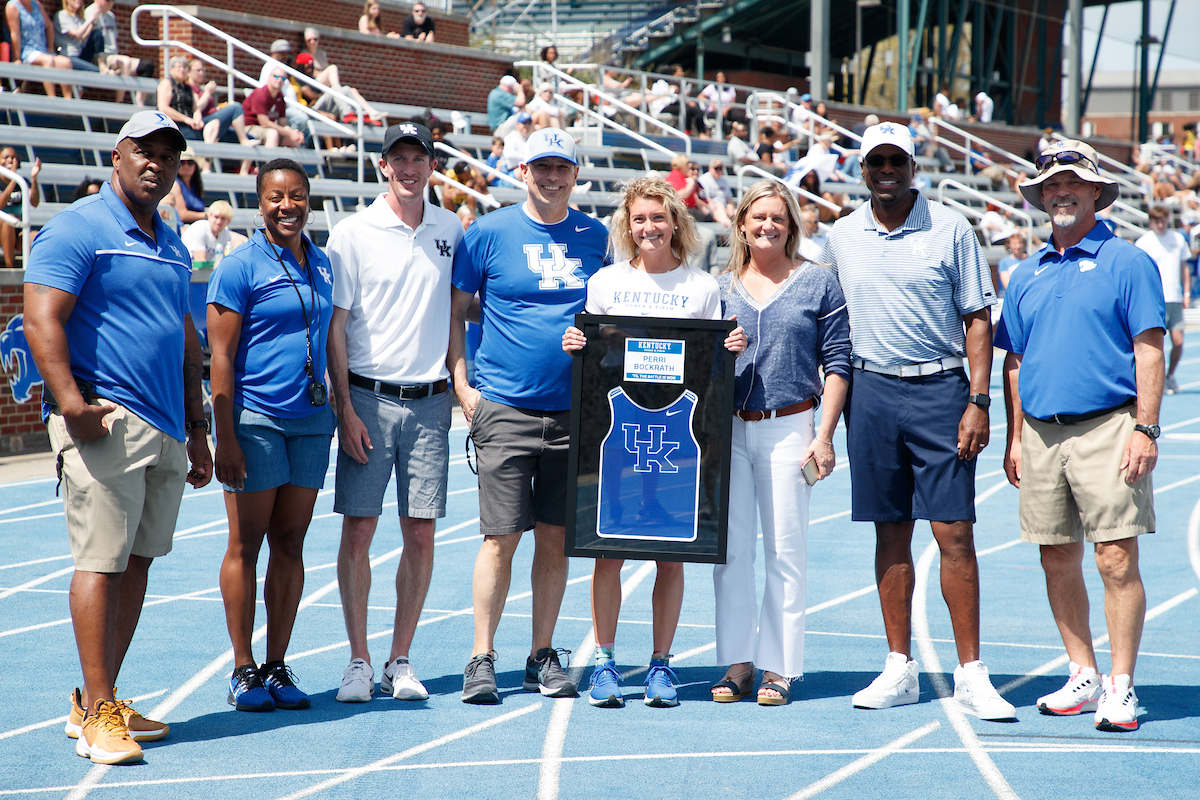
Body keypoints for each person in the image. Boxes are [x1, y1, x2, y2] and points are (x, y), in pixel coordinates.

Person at [23, 110, 212, 764]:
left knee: (137, 562)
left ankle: (95, 699)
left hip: (165, 427)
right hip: (106, 419)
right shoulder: (78, 227)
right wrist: (71, 404)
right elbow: (41, 314)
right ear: (119, 155)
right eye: (145, 151)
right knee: (101, 561)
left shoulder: (170, 237)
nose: (157, 164)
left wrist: (198, 424)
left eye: (169, 154)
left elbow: (184, 334)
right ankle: (99, 710)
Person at [820, 122, 1013, 720]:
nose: (886, 170)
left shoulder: (951, 227)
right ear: (861, 168)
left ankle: (971, 673)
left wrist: (979, 401)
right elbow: (824, 315)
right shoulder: (840, 236)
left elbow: (977, 320)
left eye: (896, 161)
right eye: (875, 160)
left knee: (954, 533)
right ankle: (899, 666)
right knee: (890, 531)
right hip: (871, 390)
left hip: (940, 391)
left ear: (913, 166)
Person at [996, 139, 1165, 732]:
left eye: (1073, 182)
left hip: (1109, 425)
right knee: (1055, 558)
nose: (1061, 192)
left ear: (1096, 190)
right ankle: (1081, 671)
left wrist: (1146, 428)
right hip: (1041, 435)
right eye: (1051, 186)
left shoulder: (1128, 261)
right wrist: (1014, 437)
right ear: (1040, 197)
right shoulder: (1025, 272)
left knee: (1116, 557)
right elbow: (1014, 361)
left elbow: (1149, 348)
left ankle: (1121, 685)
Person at [560, 177, 746, 708]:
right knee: (608, 552)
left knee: (671, 554)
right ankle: (605, 663)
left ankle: (661, 666)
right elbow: (594, 354)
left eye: (658, 218)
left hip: (676, 434)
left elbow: (710, 363)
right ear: (627, 224)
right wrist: (577, 341)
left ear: (676, 224)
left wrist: (730, 344)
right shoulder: (606, 283)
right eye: (639, 219)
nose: (649, 228)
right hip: (617, 430)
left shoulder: (701, 288)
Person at [450, 129, 608, 704]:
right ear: (523, 171)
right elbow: (456, 310)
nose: (551, 177)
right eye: (541, 168)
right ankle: (481, 656)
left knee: (556, 539)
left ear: (574, 174)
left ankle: (541, 654)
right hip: (506, 407)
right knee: (499, 539)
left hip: (574, 413)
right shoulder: (488, 232)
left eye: (560, 169)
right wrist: (462, 385)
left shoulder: (596, 236)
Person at [325, 123, 463, 703]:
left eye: (419, 157)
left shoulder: (451, 228)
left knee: (422, 535)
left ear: (432, 165)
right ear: (383, 165)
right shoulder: (352, 232)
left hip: (431, 403)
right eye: (398, 158)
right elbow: (335, 329)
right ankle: (358, 659)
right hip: (367, 400)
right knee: (359, 530)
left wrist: (462, 385)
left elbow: (457, 312)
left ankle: (399, 659)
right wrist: (344, 410)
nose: (409, 168)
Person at [709, 180, 850, 706]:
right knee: (731, 553)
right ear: (741, 223)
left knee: (785, 553)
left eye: (778, 217)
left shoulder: (819, 284)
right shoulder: (717, 288)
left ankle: (780, 669)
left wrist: (825, 435)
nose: (767, 225)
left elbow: (837, 363)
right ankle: (739, 664)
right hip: (727, 430)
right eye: (758, 216)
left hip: (790, 426)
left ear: (791, 225)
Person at [208, 158, 334, 713]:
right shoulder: (239, 266)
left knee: (290, 542)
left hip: (311, 422)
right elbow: (220, 356)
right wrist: (225, 435)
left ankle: (277, 663)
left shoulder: (323, 263)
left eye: (298, 196)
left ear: (309, 200)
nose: (288, 206)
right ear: (260, 204)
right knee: (247, 542)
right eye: (277, 197)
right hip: (254, 420)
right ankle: (242, 668)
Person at [1134, 207, 1190, 394]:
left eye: (1162, 219)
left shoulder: (1178, 239)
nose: (1160, 223)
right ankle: (1151, 382)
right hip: (1154, 299)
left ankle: (1169, 376)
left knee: (1179, 341)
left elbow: (1184, 268)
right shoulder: (1144, 242)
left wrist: (1187, 292)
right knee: (1154, 346)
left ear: (1168, 219)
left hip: (1174, 297)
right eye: (1156, 220)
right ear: (1150, 221)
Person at [84, 0, 150, 104]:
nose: (110, 3)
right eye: (107, 0)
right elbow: (86, 39)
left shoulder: (111, 16)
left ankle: (139, 103)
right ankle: (120, 102)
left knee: (147, 66)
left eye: (112, 0)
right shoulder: (90, 12)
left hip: (113, 56)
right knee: (125, 62)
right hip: (100, 56)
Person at [6, 0, 74, 98]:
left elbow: (49, 26)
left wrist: (50, 47)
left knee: (66, 63)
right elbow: (14, 34)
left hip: (42, 51)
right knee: (48, 61)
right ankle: (52, 100)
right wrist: (16, 58)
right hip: (26, 51)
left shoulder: (36, 4)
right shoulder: (13, 7)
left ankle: (69, 104)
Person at [243, 66, 306, 149]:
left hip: (265, 130)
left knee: (293, 141)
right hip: (247, 128)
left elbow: (283, 123)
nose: (279, 80)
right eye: (276, 76)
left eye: (283, 78)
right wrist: (289, 133)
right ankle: (269, 162)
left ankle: (295, 162)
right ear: (269, 77)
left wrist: (294, 134)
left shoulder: (280, 97)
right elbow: (264, 123)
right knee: (273, 134)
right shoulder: (260, 94)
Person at [0, 147, 40, 268]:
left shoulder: (22, 182)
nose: (10, 160)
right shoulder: (15, 181)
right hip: (3, 227)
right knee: (8, 220)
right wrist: (13, 179)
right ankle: (10, 269)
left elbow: (34, 202)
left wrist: (34, 178)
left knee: (34, 236)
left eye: (13, 157)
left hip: (17, 230)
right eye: (6, 157)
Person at [182, 199, 234, 264]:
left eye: (223, 218)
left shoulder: (226, 234)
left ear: (228, 221)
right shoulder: (198, 229)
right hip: (187, 268)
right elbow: (200, 262)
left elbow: (225, 262)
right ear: (209, 216)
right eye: (216, 217)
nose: (219, 221)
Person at [53, 0, 99, 72]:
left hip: (80, 54)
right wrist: (90, 19)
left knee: (97, 33)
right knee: (95, 72)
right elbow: (76, 35)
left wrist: (92, 23)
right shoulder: (62, 15)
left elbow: (83, 37)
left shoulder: (79, 18)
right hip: (67, 56)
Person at [165, 149, 206, 225]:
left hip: (199, 225)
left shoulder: (196, 185)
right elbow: (183, 215)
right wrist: (207, 215)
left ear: (195, 166)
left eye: (190, 163)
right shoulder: (175, 184)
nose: (186, 166)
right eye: (182, 163)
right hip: (184, 227)